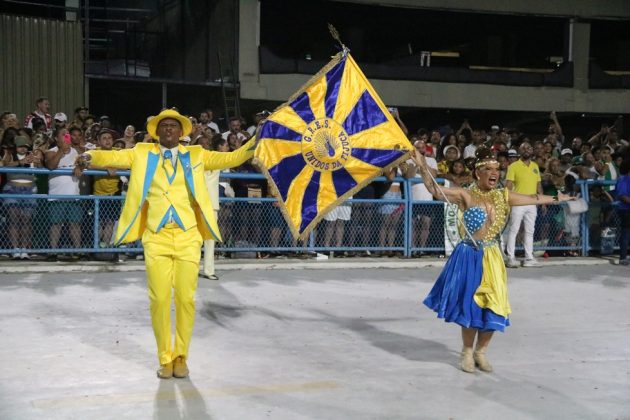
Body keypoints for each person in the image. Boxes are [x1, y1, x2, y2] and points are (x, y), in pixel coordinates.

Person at [75, 108, 258, 379]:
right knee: (159, 300)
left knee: (185, 299)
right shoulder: (141, 153)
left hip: (188, 237)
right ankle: (165, 357)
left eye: (174, 126)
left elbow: (232, 157)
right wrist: (90, 155)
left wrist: (257, 141)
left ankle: (181, 356)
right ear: (157, 132)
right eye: (164, 126)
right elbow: (112, 155)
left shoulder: (196, 155)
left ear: (181, 132)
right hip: (156, 237)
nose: (169, 129)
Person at [413, 147, 573, 373]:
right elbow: (435, 190)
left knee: (495, 304)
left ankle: (481, 352)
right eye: (488, 169)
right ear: (478, 172)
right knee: (470, 305)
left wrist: (557, 198)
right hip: (469, 255)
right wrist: (421, 164)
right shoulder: (465, 195)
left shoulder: (503, 196)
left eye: (497, 169)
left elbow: (533, 198)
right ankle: (467, 351)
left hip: (493, 257)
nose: (494, 173)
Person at [504, 142, 543, 268]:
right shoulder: (513, 166)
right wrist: (506, 199)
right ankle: (510, 257)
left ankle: (529, 257)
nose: (527, 150)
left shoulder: (535, 166)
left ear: (532, 151)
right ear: (519, 151)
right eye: (524, 148)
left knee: (530, 231)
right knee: (514, 229)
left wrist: (542, 201)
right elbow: (509, 185)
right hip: (518, 202)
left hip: (532, 203)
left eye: (529, 147)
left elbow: (538, 185)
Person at [615, 159, 630, 266]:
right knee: (626, 232)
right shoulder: (623, 179)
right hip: (626, 210)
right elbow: (622, 195)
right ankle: (623, 257)